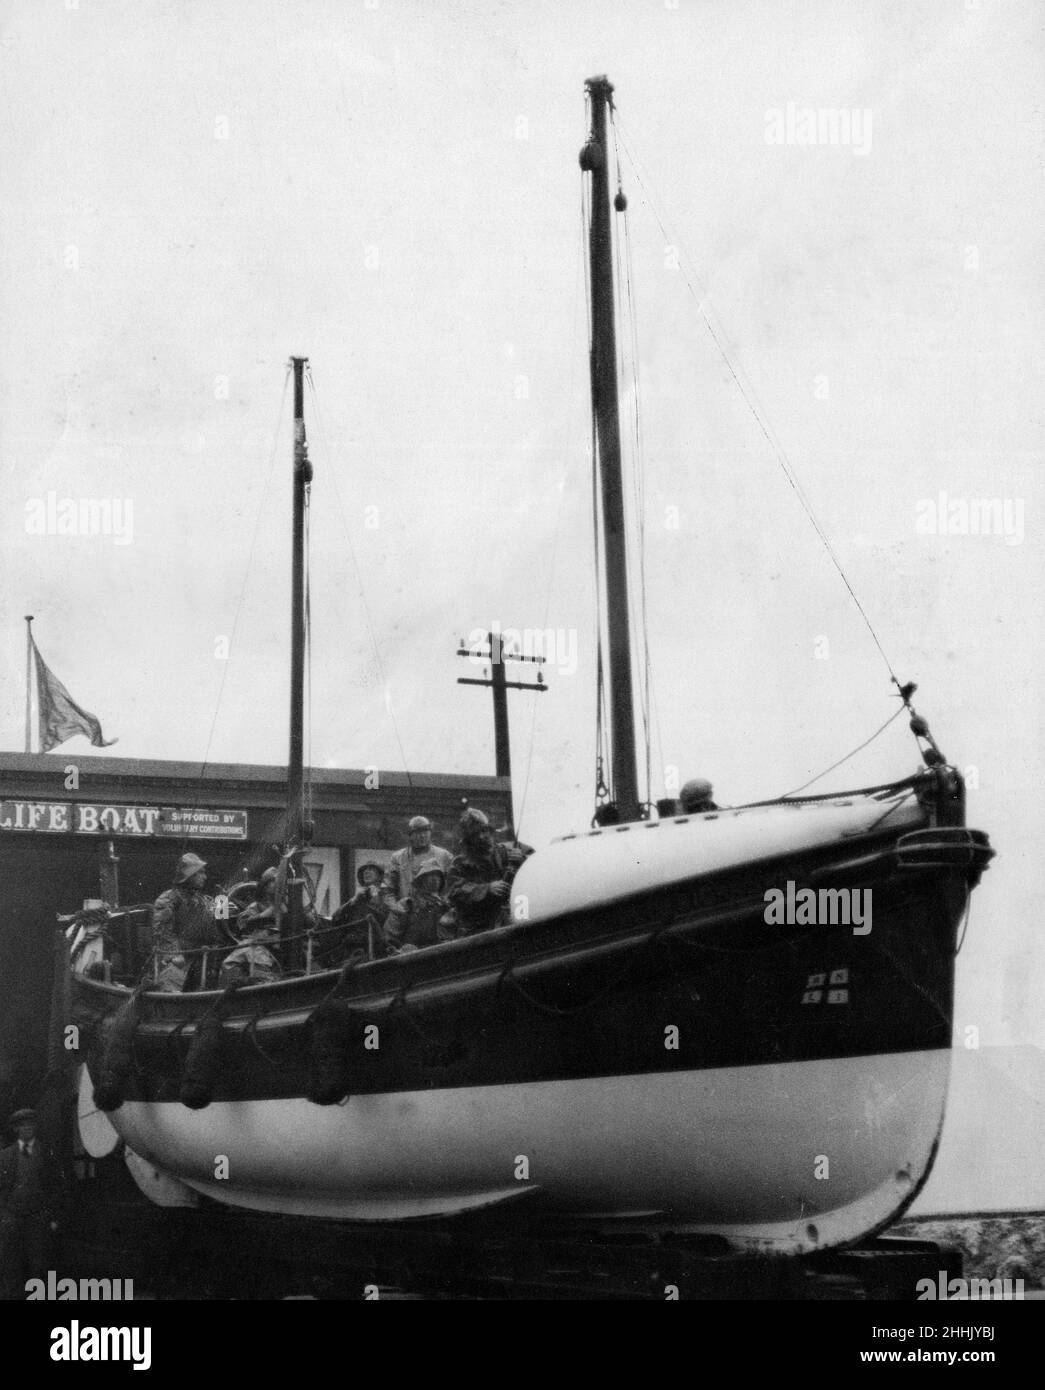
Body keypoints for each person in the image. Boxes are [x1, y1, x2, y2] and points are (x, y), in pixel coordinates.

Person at [0, 1110, 63, 1301]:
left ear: (35, 1127)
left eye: (30, 1124)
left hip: (38, 1216)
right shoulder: (5, 1155)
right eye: (22, 1125)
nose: (27, 1128)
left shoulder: (47, 1152)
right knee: (11, 1264)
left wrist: (51, 1216)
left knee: (39, 1264)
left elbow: (57, 1186)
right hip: (11, 1217)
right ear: (15, 1129)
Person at [445, 808, 527, 937]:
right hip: (477, 930)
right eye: (476, 834)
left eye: (485, 830)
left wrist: (522, 861)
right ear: (469, 839)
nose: (483, 836)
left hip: (509, 923)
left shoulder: (507, 853)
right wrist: (487, 889)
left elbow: (531, 880)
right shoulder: (459, 864)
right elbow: (455, 892)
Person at [151, 853, 222, 991]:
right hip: (178, 959)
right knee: (171, 985)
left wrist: (223, 905)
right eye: (200, 873)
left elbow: (217, 931)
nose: (205, 877)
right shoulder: (167, 899)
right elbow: (163, 931)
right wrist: (174, 954)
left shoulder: (205, 901)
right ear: (188, 875)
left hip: (202, 957)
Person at [218, 868, 282, 987]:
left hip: (282, 943)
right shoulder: (255, 907)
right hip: (259, 943)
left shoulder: (287, 907)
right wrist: (265, 915)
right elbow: (243, 924)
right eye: (273, 881)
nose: (277, 884)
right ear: (265, 887)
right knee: (232, 962)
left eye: (279, 881)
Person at [381, 817, 452, 915]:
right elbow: (387, 888)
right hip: (406, 914)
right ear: (410, 835)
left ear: (430, 833)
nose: (422, 836)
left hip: (436, 914)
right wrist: (394, 906)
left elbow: (452, 886)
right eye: (418, 832)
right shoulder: (398, 857)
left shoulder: (444, 856)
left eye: (426, 831)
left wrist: (444, 903)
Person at [384, 859, 454, 953]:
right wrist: (400, 950)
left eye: (437, 875)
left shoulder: (447, 906)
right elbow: (390, 938)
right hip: (411, 958)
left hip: (444, 955)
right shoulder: (407, 904)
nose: (434, 879)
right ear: (421, 880)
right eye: (429, 875)